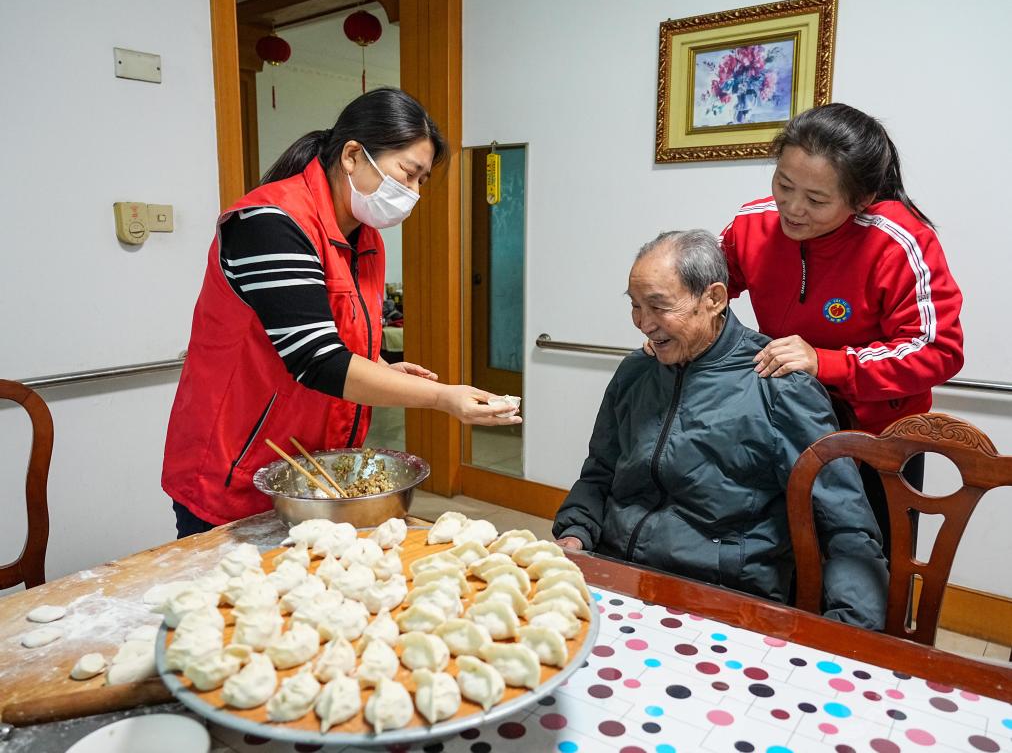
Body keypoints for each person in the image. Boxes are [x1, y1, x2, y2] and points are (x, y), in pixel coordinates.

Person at [163, 88, 520, 537]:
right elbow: (315, 360)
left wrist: (382, 365)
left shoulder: (365, 238)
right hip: (236, 466)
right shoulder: (269, 223)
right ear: (353, 154)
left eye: (421, 182)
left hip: (311, 467)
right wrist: (442, 397)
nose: (412, 194)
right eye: (407, 174)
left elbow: (338, 335)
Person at [554, 231, 887, 629]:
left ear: (713, 299)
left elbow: (843, 520)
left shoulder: (778, 384)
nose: (643, 324)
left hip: (722, 594)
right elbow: (600, 471)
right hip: (618, 570)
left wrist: (852, 632)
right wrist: (574, 533)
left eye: (658, 306)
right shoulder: (636, 373)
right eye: (636, 306)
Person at [717, 103, 964, 550]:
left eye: (816, 200)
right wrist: (670, 315)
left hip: (879, 440)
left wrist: (826, 362)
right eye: (783, 185)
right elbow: (706, 287)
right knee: (784, 557)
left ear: (862, 198)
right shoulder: (752, 224)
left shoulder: (898, 241)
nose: (792, 208)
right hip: (786, 421)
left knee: (873, 569)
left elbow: (937, 349)